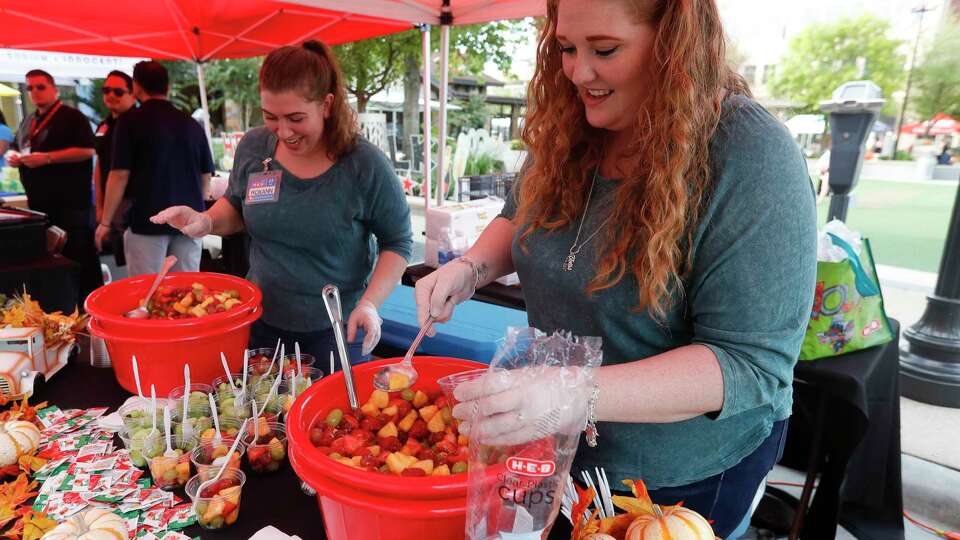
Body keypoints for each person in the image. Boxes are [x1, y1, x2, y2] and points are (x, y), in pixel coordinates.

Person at [414, 1, 817, 539]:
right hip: (553, 443)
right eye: (566, 49)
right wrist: (470, 268)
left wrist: (573, 394)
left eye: (604, 50)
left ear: (675, 44)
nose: (579, 72)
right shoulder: (571, 127)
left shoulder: (751, 154)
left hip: (676, 479)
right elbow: (522, 214)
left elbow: (750, 363)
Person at [151, 41, 413, 366]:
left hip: (337, 327)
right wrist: (206, 221)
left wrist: (371, 303)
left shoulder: (364, 165)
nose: (284, 131)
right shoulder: (255, 146)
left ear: (327, 105)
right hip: (259, 322)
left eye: (296, 118)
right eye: (271, 117)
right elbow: (235, 206)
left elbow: (398, 242)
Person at [96, 61, 214, 276]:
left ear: (136, 86)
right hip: (189, 222)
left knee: (146, 293)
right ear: (167, 87)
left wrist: (105, 221)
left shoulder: (129, 122)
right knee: (186, 291)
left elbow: (119, 175)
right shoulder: (191, 123)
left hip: (146, 219)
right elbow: (206, 175)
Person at [7, 69, 102, 309]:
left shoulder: (72, 116)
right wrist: (17, 158)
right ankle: (64, 309)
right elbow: (23, 147)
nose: (34, 92)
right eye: (29, 88)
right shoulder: (29, 120)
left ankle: (93, 308)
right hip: (41, 205)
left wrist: (48, 158)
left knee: (81, 258)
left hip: (72, 205)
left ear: (54, 88)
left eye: (40, 87)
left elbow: (88, 150)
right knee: (54, 265)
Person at [93, 70, 137, 267]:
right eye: (106, 90)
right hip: (113, 208)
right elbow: (100, 166)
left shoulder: (138, 123)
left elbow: (120, 173)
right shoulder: (104, 126)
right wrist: (101, 207)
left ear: (133, 94)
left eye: (118, 92)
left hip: (134, 207)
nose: (110, 95)